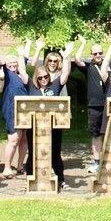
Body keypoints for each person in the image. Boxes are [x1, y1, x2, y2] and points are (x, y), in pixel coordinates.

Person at [27, 51, 74, 188]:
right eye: (40, 77)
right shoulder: (32, 87)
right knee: (33, 153)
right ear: (37, 78)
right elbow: (23, 73)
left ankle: (61, 180)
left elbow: (65, 74)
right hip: (34, 126)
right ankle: (29, 180)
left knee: (55, 153)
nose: (43, 79)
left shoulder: (54, 86)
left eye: (46, 77)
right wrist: (22, 55)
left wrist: (65, 57)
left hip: (54, 125)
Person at [73, 39, 111, 173]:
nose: (98, 55)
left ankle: (109, 160)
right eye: (95, 53)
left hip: (109, 104)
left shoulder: (109, 66)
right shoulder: (88, 67)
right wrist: (82, 43)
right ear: (91, 55)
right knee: (96, 134)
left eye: (100, 53)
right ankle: (96, 162)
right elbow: (77, 59)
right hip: (94, 106)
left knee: (110, 133)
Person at [0, 48, 33, 179]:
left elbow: (23, 61)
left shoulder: (21, 74)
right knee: (14, 139)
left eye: (15, 63)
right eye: (10, 63)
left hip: (25, 109)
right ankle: (7, 167)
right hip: (11, 108)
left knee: (24, 138)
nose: (13, 65)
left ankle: (20, 165)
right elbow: (0, 62)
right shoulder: (7, 74)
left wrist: (28, 46)